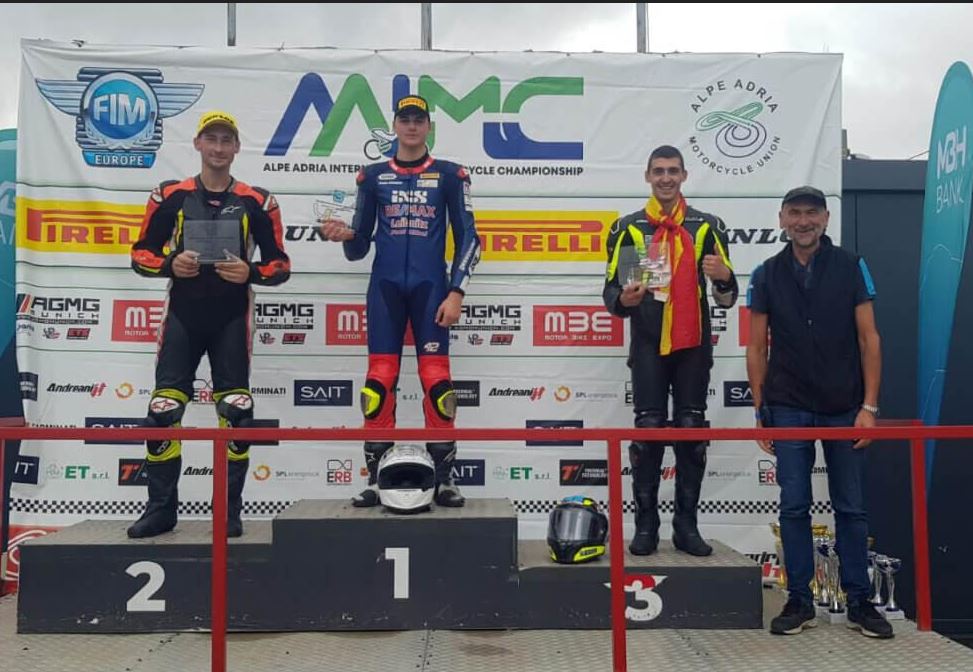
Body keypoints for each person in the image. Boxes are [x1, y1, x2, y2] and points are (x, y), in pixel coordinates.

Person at [128, 110, 291, 538]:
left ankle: (227, 513)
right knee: (162, 413)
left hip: (231, 319)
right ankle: (161, 510)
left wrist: (251, 272)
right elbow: (140, 254)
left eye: (226, 140)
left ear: (237, 147)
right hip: (183, 316)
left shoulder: (258, 201)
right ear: (198, 143)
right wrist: (170, 264)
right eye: (211, 139)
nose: (218, 148)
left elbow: (280, 264)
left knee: (237, 415)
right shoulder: (170, 195)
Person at [320, 94, 480, 508]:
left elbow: (469, 237)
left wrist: (457, 291)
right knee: (378, 383)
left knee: (438, 384)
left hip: (432, 291)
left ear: (428, 127)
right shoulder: (372, 176)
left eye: (418, 119)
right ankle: (376, 480)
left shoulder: (450, 175)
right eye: (404, 118)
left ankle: (444, 480)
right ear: (394, 125)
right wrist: (345, 237)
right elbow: (359, 246)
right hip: (385, 290)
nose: (411, 126)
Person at [746, 185, 891, 638]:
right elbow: (756, 347)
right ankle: (800, 601)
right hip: (787, 405)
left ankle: (859, 601)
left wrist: (869, 407)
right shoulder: (766, 273)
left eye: (812, 213)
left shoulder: (850, 266)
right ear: (782, 219)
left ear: (826, 219)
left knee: (851, 507)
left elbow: (869, 339)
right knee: (794, 506)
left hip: (844, 406)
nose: (803, 221)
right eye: (794, 213)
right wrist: (760, 411)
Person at [603, 145, 737, 557]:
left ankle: (686, 526)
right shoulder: (628, 228)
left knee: (691, 431)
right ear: (647, 176)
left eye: (673, 171)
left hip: (692, 344)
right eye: (659, 171)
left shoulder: (707, 226)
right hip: (648, 343)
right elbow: (611, 293)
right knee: (648, 431)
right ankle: (646, 526)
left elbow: (727, 299)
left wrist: (725, 277)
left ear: (684, 176)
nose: (666, 178)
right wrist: (624, 299)